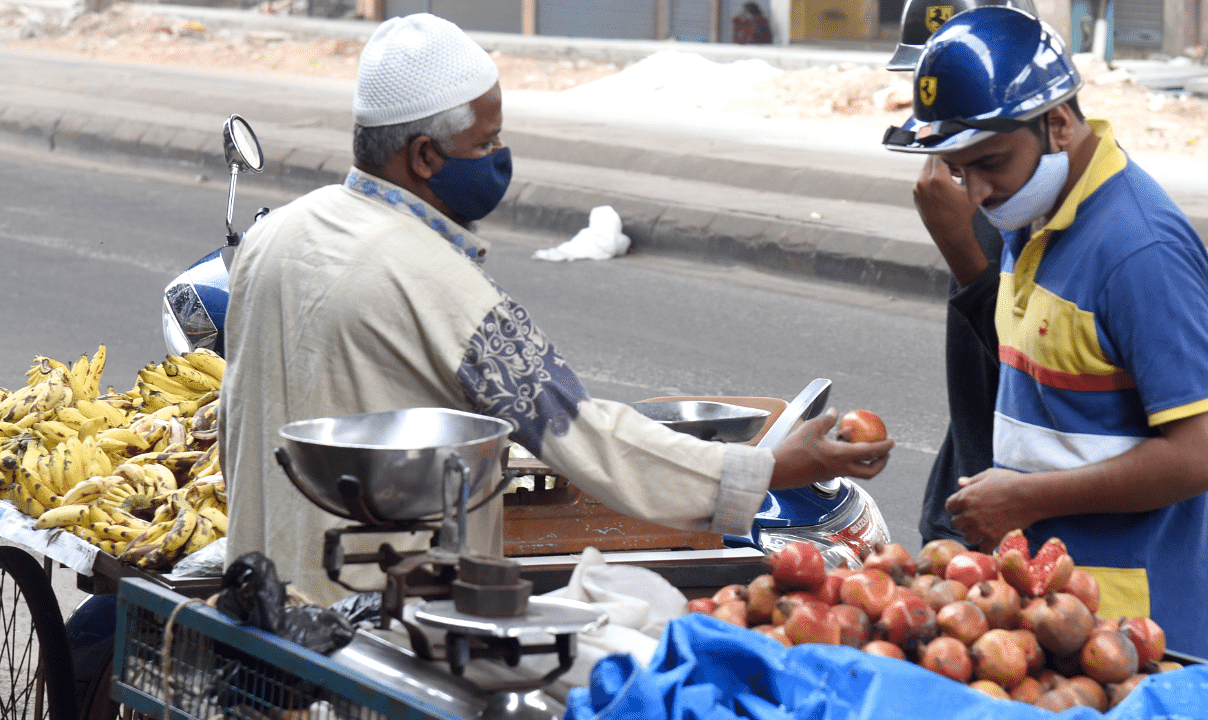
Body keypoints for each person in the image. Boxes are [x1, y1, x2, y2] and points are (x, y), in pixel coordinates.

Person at [219, 13, 894, 608]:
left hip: (262, 605)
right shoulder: (435, 278)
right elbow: (584, 433)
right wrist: (769, 470)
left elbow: (235, 424)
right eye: (486, 144)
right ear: (425, 156)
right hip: (376, 624)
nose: (499, 158)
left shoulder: (272, 237)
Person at [884, 7, 1208, 663]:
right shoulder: (1033, 212)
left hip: (1134, 632)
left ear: (1059, 122)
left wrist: (1022, 497)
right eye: (961, 170)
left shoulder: (1140, 249)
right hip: (1053, 612)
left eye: (990, 163)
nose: (978, 192)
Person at [885, 0, 1038, 548]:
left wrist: (963, 251)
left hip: (1016, 523)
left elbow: (1031, 374)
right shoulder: (983, 193)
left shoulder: (1023, 205)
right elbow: (979, 396)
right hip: (969, 501)